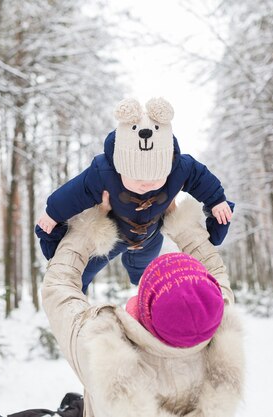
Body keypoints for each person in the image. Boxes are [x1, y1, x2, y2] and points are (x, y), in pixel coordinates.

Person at [42, 194, 244, 417]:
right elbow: (215, 274)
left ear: (142, 307)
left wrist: (92, 222)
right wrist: (178, 218)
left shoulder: (104, 353)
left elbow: (59, 287)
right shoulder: (223, 347)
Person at [36, 97, 234, 293]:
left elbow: (201, 178)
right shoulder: (102, 172)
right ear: (119, 167)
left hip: (151, 232)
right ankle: (79, 294)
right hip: (113, 232)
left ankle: (137, 279)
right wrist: (53, 213)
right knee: (84, 271)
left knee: (143, 267)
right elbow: (76, 192)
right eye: (136, 179)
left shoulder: (180, 168)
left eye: (155, 180)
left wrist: (216, 200)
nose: (145, 185)